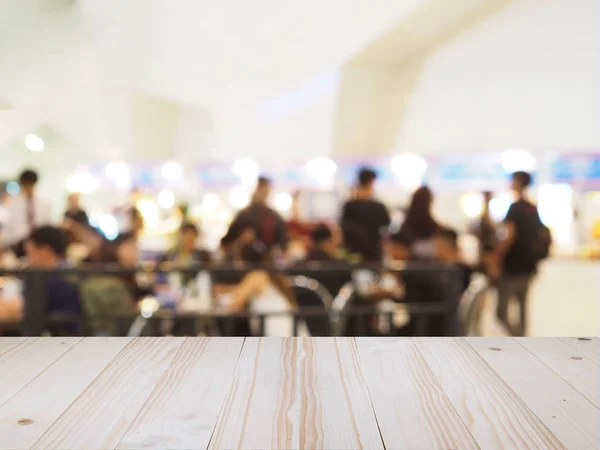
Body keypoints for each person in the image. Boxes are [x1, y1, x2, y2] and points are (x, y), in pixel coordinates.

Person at [491, 171, 548, 337]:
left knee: (501, 312)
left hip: (512, 265)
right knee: (522, 306)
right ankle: (522, 338)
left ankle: (516, 337)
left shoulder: (515, 208)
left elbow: (509, 235)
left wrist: (496, 255)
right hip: (529, 265)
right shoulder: (532, 208)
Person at [214, 244, 298, 336]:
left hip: (275, 339)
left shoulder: (257, 275)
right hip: (290, 336)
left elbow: (235, 303)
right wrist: (226, 289)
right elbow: (239, 289)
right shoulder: (272, 276)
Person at [21, 226, 82, 336]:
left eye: (30, 252)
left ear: (45, 250)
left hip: (54, 340)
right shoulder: (74, 272)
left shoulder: (44, 280)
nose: (28, 259)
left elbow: (23, 309)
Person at [340, 168, 391, 262]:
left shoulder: (349, 206)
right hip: (373, 252)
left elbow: (343, 226)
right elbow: (386, 225)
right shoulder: (378, 207)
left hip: (352, 252)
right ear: (371, 182)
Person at [227, 177, 288, 253]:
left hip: (266, 261)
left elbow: (284, 242)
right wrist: (241, 240)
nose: (263, 194)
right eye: (261, 190)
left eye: (266, 191)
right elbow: (227, 241)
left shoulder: (274, 217)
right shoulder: (243, 215)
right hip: (245, 260)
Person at [3, 170, 52, 258]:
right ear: (22, 184)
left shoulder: (44, 205)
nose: (29, 187)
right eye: (27, 184)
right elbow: (7, 231)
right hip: (17, 247)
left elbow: (47, 227)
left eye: (31, 184)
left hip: (39, 246)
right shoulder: (12, 205)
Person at [398, 186, 443, 259]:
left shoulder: (404, 229)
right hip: (433, 268)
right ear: (430, 202)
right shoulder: (437, 229)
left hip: (408, 269)